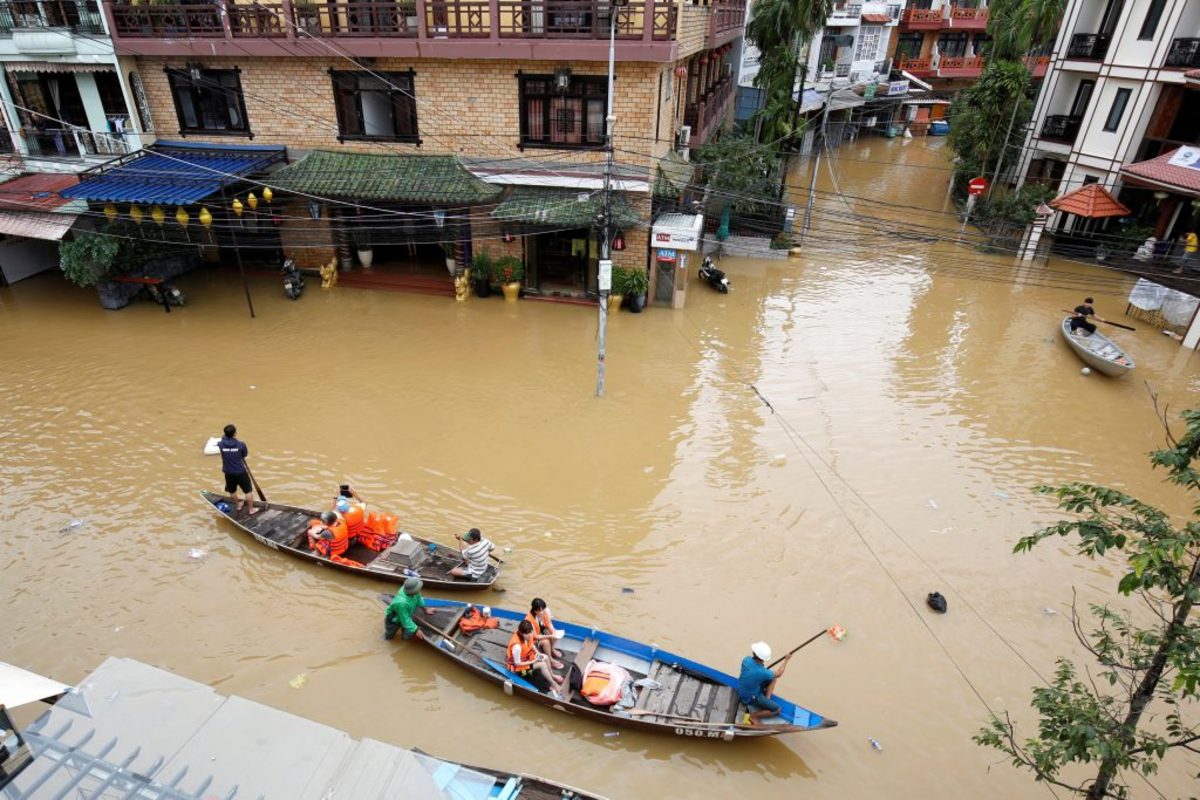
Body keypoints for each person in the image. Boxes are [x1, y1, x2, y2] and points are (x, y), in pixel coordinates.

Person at [737, 641, 792, 727]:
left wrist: (761, 668)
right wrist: (786, 659)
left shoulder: (746, 659)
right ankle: (753, 716)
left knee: (772, 679)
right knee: (777, 709)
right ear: (764, 659)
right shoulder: (764, 672)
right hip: (749, 697)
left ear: (753, 653)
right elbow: (779, 673)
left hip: (741, 689)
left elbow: (758, 670)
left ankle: (767, 700)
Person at [506, 619, 565, 697]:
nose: (529, 635)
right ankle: (554, 684)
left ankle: (552, 675)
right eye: (526, 633)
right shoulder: (517, 647)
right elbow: (517, 663)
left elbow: (532, 645)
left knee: (546, 657)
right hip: (518, 668)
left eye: (530, 632)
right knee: (542, 664)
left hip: (527, 658)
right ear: (521, 633)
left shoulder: (529, 636)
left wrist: (538, 653)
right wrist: (533, 661)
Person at [218, 424, 256, 515]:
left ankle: (238, 505)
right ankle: (251, 510)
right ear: (235, 434)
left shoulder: (220, 444)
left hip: (228, 472)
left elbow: (223, 438)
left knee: (232, 490)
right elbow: (244, 455)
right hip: (240, 472)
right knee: (248, 491)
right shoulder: (241, 445)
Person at [525, 598, 563, 669]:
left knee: (553, 634)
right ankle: (550, 660)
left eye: (543, 609)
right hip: (533, 638)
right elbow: (535, 636)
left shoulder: (545, 611)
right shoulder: (529, 620)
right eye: (541, 610)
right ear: (535, 611)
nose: (543, 612)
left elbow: (549, 623)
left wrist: (553, 631)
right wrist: (549, 636)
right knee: (546, 641)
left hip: (541, 630)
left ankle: (552, 650)